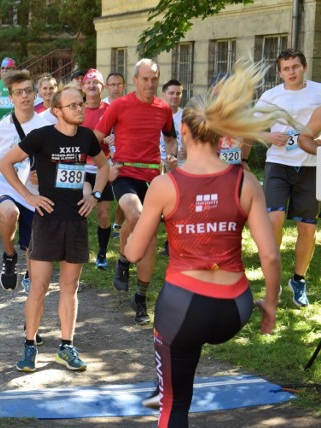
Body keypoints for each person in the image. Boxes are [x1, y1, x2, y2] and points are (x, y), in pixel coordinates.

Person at [123, 60, 286, 428]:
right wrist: (270, 305)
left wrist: (129, 233)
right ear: (221, 132)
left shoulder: (165, 185)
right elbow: (271, 255)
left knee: (173, 406)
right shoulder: (245, 180)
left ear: (182, 130)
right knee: (187, 357)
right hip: (235, 309)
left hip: (183, 309)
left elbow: (135, 252)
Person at [0, 86, 109, 372]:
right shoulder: (42, 136)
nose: (79, 109)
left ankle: (66, 346)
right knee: (39, 287)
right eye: (72, 105)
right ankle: (30, 345)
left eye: (81, 104)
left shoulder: (86, 137)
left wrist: (94, 195)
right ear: (57, 111)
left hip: (76, 221)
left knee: (70, 288)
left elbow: (103, 166)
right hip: (47, 220)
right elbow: (5, 162)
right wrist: (29, 197)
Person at [94, 58, 177, 325]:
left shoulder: (163, 109)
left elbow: (170, 136)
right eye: (145, 78)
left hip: (153, 176)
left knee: (150, 238)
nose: (150, 83)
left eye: (154, 78)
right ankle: (124, 258)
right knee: (136, 215)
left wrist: (172, 156)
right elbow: (95, 137)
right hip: (125, 173)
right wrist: (107, 166)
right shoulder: (119, 105)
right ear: (135, 80)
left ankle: (140, 297)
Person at [255, 49, 321, 307]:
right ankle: (274, 278)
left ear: (304, 67)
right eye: (286, 68)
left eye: (295, 66)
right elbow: (250, 127)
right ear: (279, 72)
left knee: (307, 228)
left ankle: (299, 279)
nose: (291, 72)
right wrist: (269, 137)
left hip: (310, 165)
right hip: (278, 163)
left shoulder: (318, 91)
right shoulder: (271, 97)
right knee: (274, 219)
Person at [0, 70, 50, 290]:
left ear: (35, 94)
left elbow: (55, 160)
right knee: (10, 213)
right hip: (5, 189)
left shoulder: (46, 127)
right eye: (19, 92)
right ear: (11, 98)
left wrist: (45, 173)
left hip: (34, 195)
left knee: (33, 250)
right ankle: (9, 256)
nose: (25, 96)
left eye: (28, 91)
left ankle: (30, 278)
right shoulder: (1, 128)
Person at [81, 69, 115, 270]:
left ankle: (101, 252)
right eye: (89, 83)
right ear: (83, 86)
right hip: (81, 166)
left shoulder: (111, 109)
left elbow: (121, 133)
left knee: (103, 214)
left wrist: (115, 138)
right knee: (82, 207)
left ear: (103, 87)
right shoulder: (76, 108)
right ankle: (80, 249)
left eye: (96, 83)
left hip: (104, 166)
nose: (92, 86)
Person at [102, 72, 127, 238]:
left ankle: (117, 224)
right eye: (112, 85)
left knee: (124, 194)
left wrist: (118, 138)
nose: (116, 88)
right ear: (106, 86)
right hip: (103, 156)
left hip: (124, 154)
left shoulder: (129, 105)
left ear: (124, 87)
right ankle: (103, 224)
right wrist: (106, 139)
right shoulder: (101, 106)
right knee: (104, 201)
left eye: (119, 85)